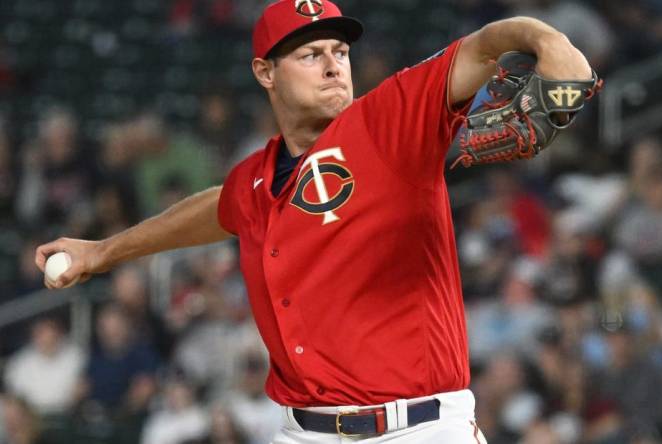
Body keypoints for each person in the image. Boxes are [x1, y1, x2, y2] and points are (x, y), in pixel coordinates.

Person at [36, 0, 593, 441]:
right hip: (302, 430)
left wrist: (547, 40)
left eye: (339, 51)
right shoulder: (256, 178)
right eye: (309, 55)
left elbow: (483, 46)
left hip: (419, 429)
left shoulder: (387, 123)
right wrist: (102, 252)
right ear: (265, 72)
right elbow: (216, 208)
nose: (332, 65)